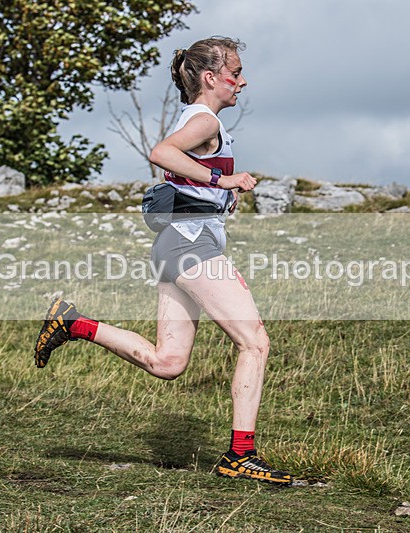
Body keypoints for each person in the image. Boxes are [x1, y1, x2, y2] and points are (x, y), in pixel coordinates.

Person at [34, 36, 292, 486]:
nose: (243, 82)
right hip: (191, 246)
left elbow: (183, 175)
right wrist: (222, 180)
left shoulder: (201, 120)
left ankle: (74, 323)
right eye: (235, 73)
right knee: (255, 342)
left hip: (175, 245)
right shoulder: (204, 120)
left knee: (168, 362)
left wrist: (218, 196)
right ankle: (241, 456)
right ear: (210, 78)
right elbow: (162, 154)